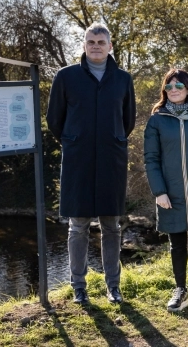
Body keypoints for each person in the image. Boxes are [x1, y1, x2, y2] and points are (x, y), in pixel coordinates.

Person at [46, 22, 136, 305]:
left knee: (112, 226)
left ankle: (113, 286)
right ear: (84, 45)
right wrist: (75, 140)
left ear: (110, 46)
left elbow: (128, 120)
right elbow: (54, 120)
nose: (96, 46)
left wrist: (111, 139)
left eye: (101, 41)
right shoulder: (66, 77)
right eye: (91, 41)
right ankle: (79, 286)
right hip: (78, 161)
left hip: (111, 160)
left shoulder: (123, 79)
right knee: (78, 226)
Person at [143, 68, 188, 320]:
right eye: (169, 86)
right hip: (170, 193)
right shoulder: (156, 120)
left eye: (179, 86)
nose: (174, 90)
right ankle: (181, 290)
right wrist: (159, 191)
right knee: (177, 245)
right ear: (164, 90)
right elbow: (151, 159)